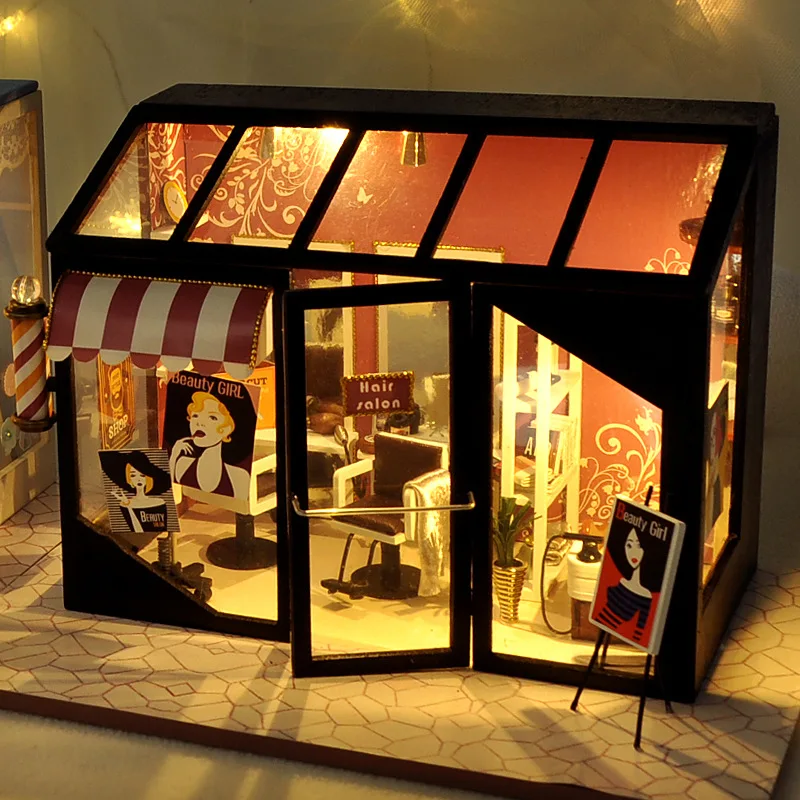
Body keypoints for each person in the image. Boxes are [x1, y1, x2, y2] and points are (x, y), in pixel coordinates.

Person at [170, 391, 249, 501]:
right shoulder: (182, 465)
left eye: (212, 417)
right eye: (195, 416)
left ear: (226, 429)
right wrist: (174, 455)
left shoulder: (239, 477)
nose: (200, 423)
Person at [595, 527, 658, 644]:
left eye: (639, 545)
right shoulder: (618, 580)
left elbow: (640, 632)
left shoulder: (645, 595)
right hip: (602, 628)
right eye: (629, 545)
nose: (633, 552)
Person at [103, 450, 171, 534]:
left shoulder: (158, 502)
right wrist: (127, 504)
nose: (138, 479)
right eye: (133, 475)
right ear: (129, 478)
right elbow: (134, 528)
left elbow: (161, 527)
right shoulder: (125, 503)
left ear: (148, 478)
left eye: (142, 475)